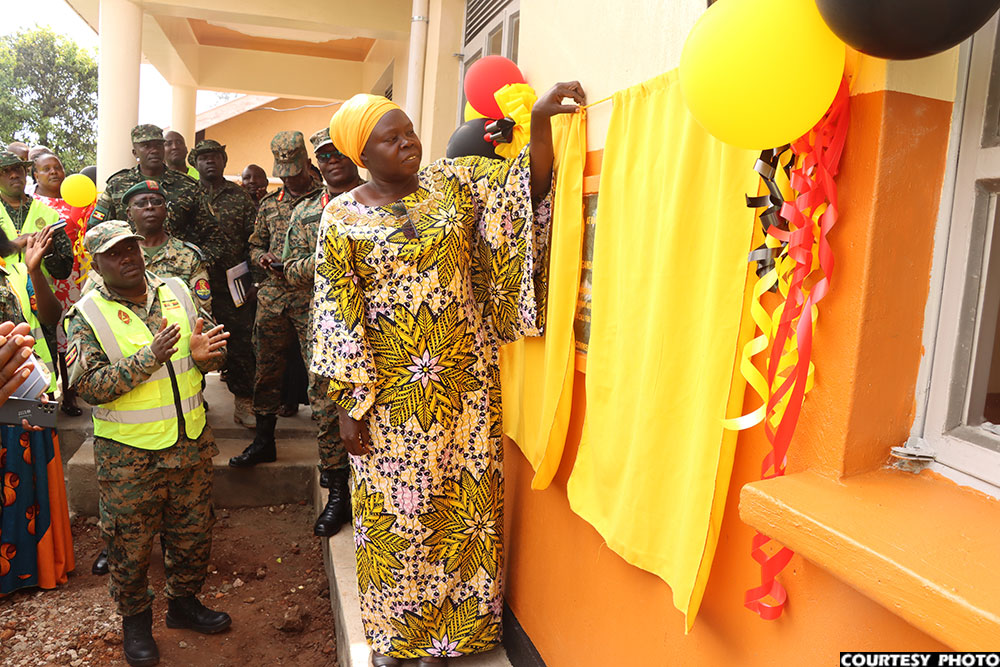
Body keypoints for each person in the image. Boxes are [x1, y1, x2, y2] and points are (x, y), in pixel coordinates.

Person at [312, 83, 583, 665]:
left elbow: (524, 195)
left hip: (467, 381)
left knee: (464, 506)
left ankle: (457, 635)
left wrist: (538, 122)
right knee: (400, 511)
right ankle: (396, 638)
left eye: (410, 132)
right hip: (390, 392)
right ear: (364, 154)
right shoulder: (341, 216)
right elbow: (338, 308)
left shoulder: (454, 184)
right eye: (392, 138)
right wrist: (347, 408)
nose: (409, 143)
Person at [65, 220, 231, 667]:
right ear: (96, 264)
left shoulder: (176, 288)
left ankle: (183, 605)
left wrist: (205, 357)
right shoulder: (87, 314)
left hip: (190, 440)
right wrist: (149, 358)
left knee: (193, 534)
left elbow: (211, 345)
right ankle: (136, 623)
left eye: (132, 249)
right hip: (129, 456)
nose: (129, 258)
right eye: (115, 253)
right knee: (130, 546)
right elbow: (89, 387)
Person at [282, 128, 361, 537]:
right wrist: (333, 260)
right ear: (317, 162)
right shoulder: (306, 211)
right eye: (325, 154)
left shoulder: (386, 198)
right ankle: (338, 495)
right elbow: (290, 270)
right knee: (329, 409)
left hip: (381, 327)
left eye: (340, 152)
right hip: (328, 328)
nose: (333, 160)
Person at [230, 132, 321, 469]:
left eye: (294, 172)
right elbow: (254, 245)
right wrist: (262, 258)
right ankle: (264, 442)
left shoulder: (327, 200)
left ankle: (331, 462)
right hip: (272, 300)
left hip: (312, 299)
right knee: (266, 371)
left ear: (307, 165)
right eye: (282, 173)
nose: (288, 178)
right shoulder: (270, 205)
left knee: (319, 375)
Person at [0, 223, 75, 597]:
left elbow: (50, 315)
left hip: (30, 394)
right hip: (8, 401)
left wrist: (33, 269)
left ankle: (35, 570)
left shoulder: (10, 269)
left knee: (29, 486)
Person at [189, 140, 257, 428]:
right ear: (195, 163)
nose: (210, 162)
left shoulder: (240, 197)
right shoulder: (187, 197)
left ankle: (243, 402)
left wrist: (254, 281)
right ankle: (195, 399)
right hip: (195, 282)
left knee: (240, 341)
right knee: (193, 340)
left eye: (215, 157)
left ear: (224, 161)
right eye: (203, 158)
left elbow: (254, 239)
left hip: (233, 283)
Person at [89, 125, 224, 267]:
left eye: (159, 145)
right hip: (127, 269)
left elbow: (214, 235)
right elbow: (95, 230)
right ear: (135, 152)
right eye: (146, 146)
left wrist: (196, 265)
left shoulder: (188, 186)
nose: (154, 150)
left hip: (176, 270)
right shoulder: (117, 184)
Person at [31, 151, 90, 417]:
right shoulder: (32, 205)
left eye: (58, 167)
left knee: (72, 335)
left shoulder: (77, 199)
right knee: (49, 338)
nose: (54, 172)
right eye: (46, 169)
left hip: (74, 278)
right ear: (35, 175)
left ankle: (71, 392)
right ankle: (47, 393)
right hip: (42, 278)